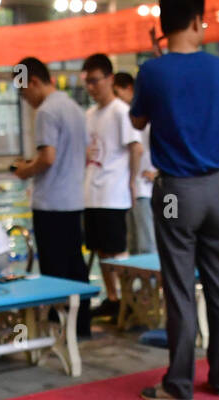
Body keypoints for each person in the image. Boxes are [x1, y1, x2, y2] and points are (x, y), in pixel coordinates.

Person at [130, 0, 219, 400]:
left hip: (174, 195)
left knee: (180, 286)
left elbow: (137, 122)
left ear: (164, 25)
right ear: (198, 21)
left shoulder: (151, 71)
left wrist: (156, 74)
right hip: (218, 188)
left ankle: (179, 385)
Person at [12, 56, 91, 338]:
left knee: (55, 273)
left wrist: (25, 170)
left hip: (51, 203)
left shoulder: (46, 111)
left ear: (33, 82)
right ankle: (81, 327)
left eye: (24, 93)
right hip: (73, 200)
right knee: (75, 266)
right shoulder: (74, 108)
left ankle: (59, 330)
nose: (26, 100)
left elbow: (47, 157)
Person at [81, 53, 141, 321]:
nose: (91, 87)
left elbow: (136, 148)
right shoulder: (90, 114)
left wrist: (131, 181)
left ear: (110, 79)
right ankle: (113, 299)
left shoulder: (121, 111)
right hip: (91, 192)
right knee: (101, 249)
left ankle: (128, 300)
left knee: (117, 250)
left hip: (113, 194)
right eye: (87, 82)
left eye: (95, 81)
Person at [113, 71, 156, 256]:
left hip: (144, 190)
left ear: (129, 89)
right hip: (130, 191)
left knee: (146, 244)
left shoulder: (146, 118)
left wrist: (158, 173)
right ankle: (141, 285)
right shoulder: (125, 117)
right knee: (134, 245)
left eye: (117, 92)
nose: (115, 98)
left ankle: (154, 284)